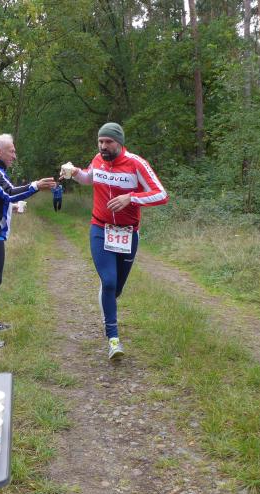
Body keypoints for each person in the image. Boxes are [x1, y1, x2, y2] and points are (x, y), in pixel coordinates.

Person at [64, 122, 168, 359]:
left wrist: (131, 198)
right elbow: (88, 178)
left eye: (108, 142)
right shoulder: (98, 160)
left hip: (128, 233)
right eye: (100, 141)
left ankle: (107, 300)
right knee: (109, 282)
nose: (103, 146)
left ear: (119, 142)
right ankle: (113, 339)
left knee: (116, 288)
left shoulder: (136, 164)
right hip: (100, 228)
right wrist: (74, 173)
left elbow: (161, 195)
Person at [0, 133, 56, 348]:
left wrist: (12, 207)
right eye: (12, 151)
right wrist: (35, 186)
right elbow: (9, 193)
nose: (14, 156)